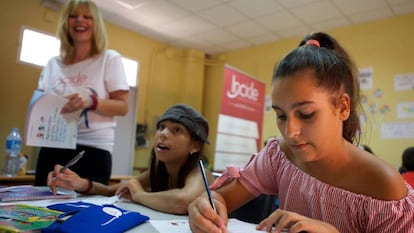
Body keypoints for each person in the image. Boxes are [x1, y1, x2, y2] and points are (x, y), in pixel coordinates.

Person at [188, 32, 414, 233]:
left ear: (343, 107)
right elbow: (221, 198)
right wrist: (207, 206)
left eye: (306, 114)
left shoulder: (383, 184)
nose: (290, 132)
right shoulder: (279, 156)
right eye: (281, 115)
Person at [48, 104, 215, 215]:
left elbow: (182, 200)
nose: (163, 134)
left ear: (195, 146)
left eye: (177, 130)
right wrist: (81, 183)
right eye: (162, 127)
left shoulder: (200, 173)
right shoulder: (158, 170)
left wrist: (139, 194)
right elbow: (112, 191)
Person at [33, 0, 129, 186]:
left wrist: (91, 101)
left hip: (93, 149)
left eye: (87, 16)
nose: (79, 21)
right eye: (73, 16)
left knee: (84, 212)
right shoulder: (53, 64)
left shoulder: (109, 59)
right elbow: (40, 104)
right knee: (41, 209)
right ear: (65, 22)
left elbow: (123, 107)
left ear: (96, 24)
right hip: (53, 146)